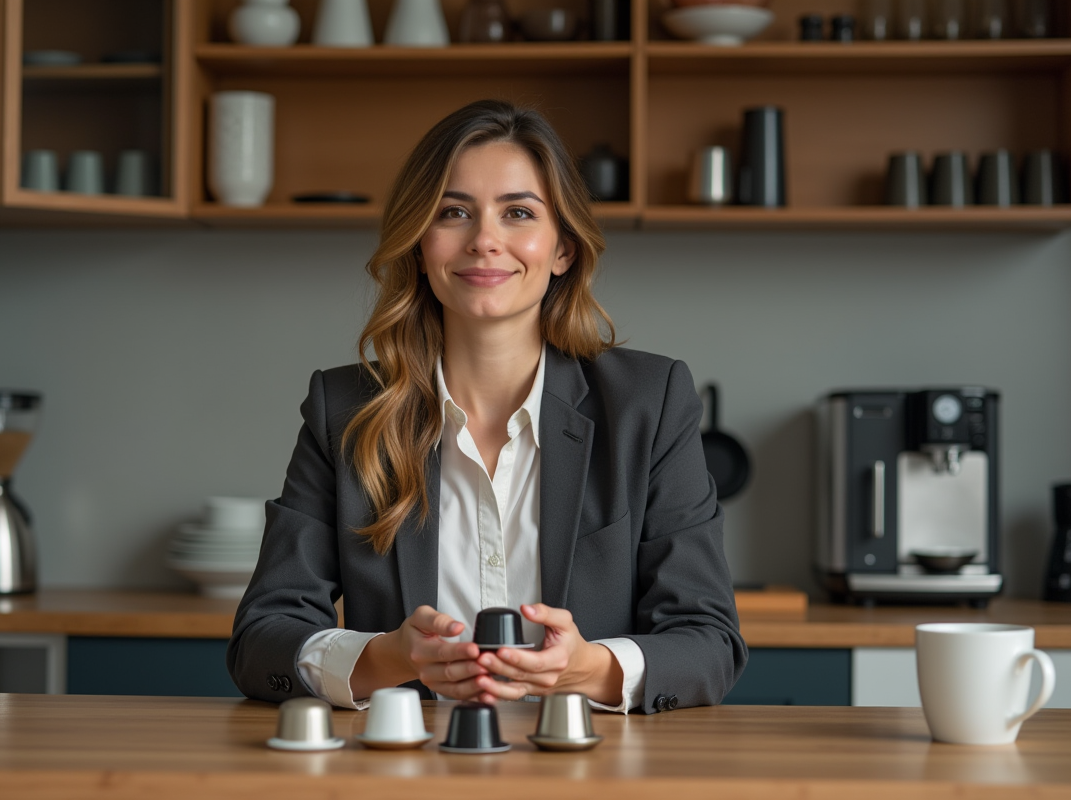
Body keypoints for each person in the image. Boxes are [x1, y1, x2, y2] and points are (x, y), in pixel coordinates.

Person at [227, 99, 747, 714]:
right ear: (421, 242)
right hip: (405, 771)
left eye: (518, 212)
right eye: (454, 212)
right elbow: (262, 639)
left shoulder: (648, 404)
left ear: (563, 250)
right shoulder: (344, 409)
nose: (484, 241)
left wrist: (587, 668)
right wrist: (391, 658)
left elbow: (709, 642)